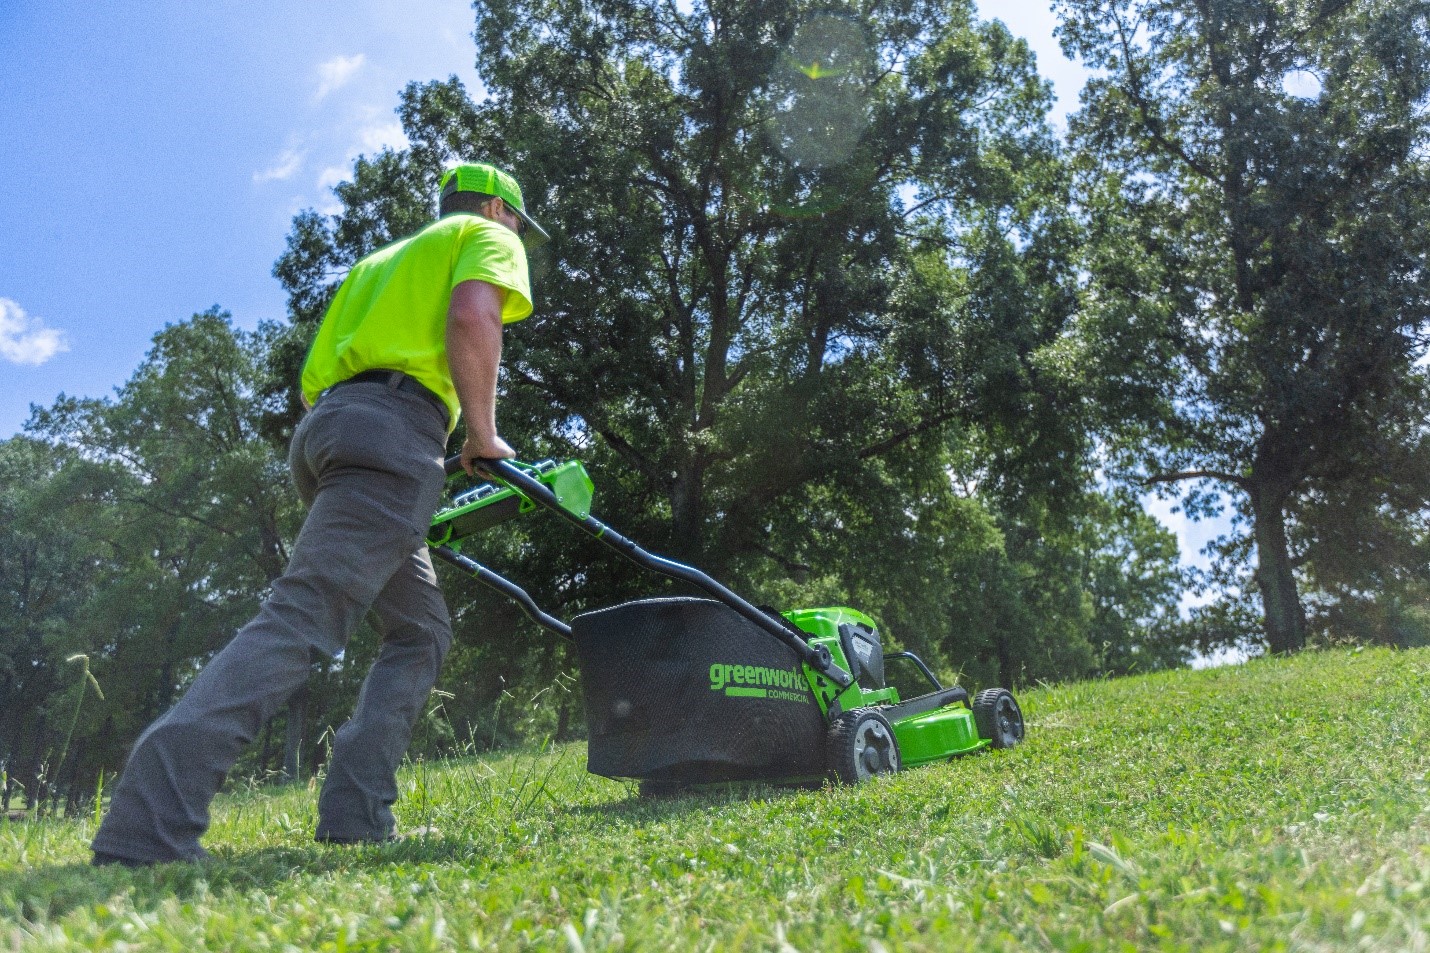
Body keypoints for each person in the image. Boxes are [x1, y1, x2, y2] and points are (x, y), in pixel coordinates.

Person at [91, 162, 548, 866]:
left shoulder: (378, 264)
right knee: (305, 614)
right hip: (395, 435)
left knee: (421, 630)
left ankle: (356, 813)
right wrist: (481, 433)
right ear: (497, 206)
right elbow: (473, 314)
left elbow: (313, 390)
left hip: (331, 434)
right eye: (517, 219)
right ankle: (148, 823)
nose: (517, 233)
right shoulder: (481, 234)